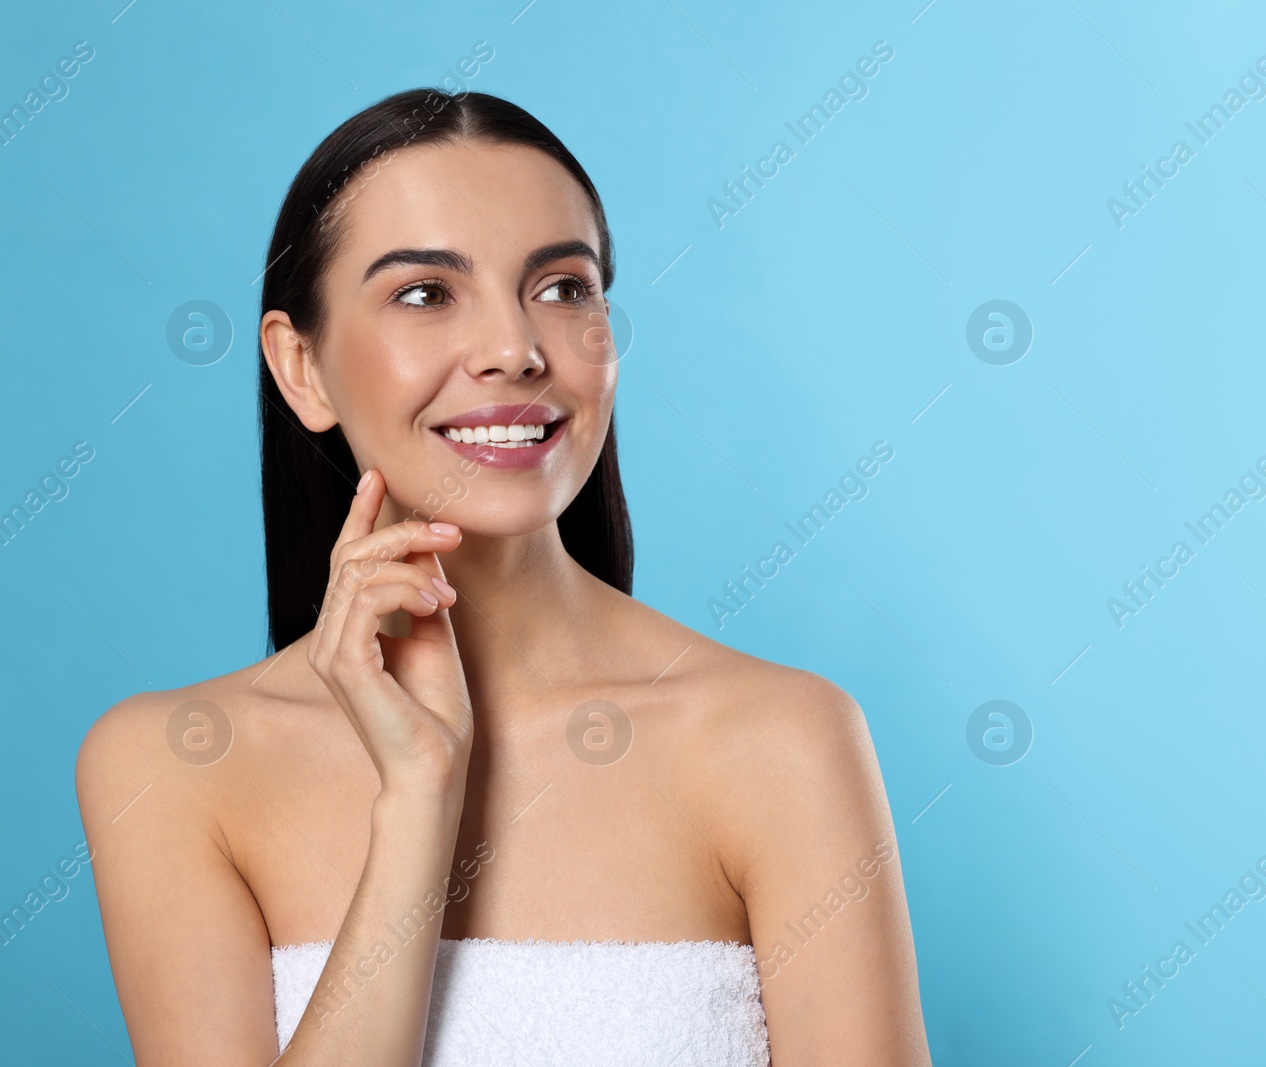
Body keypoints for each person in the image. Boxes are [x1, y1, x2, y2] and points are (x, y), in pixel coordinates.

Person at [74, 87, 929, 1066]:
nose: (515, 351)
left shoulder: (782, 739)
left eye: (563, 287)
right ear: (300, 366)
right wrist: (417, 797)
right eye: (426, 294)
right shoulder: (175, 766)